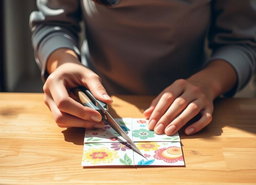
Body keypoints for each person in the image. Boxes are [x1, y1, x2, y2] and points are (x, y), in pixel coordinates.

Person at [30, 0, 256, 135]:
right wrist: (63, 62)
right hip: (92, 107)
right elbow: (53, 24)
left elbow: (241, 42)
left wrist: (209, 83)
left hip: (191, 113)